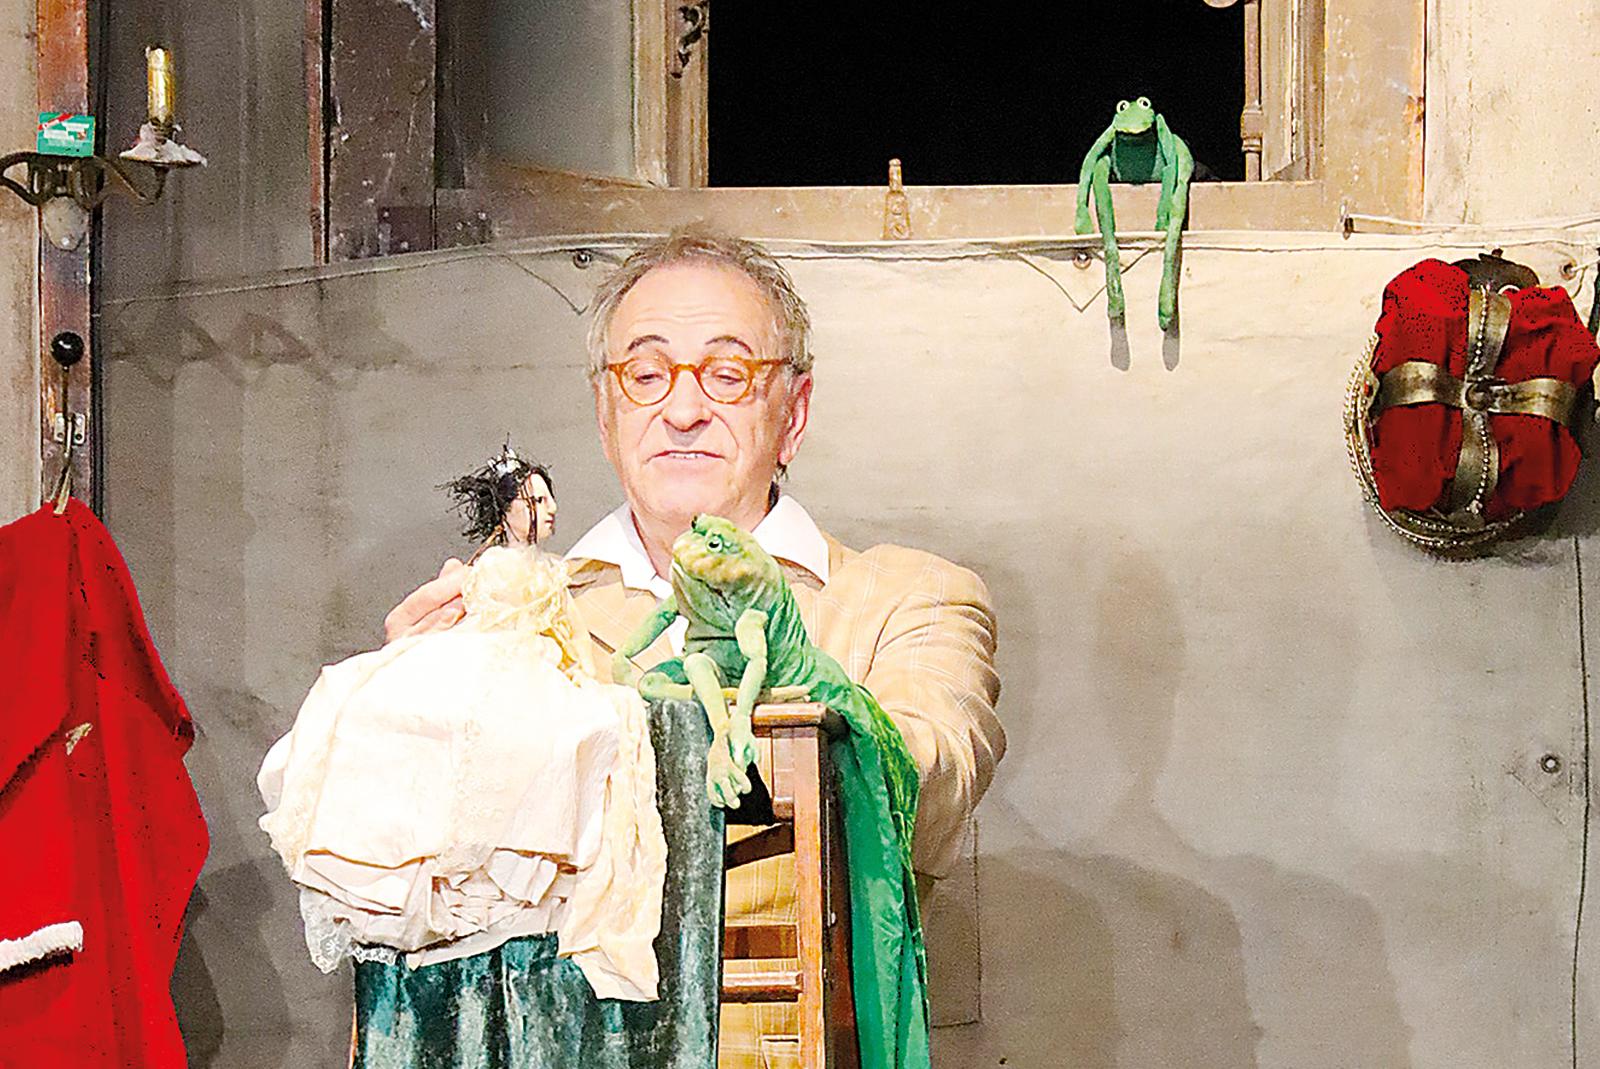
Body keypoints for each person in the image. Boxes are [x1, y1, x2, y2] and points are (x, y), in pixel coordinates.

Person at [384, 228, 1004, 1068]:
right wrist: (410, 705)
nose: (681, 410)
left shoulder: (910, 599)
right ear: (605, 416)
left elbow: (931, 779)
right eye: (645, 375)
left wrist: (787, 689)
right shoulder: (511, 615)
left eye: (728, 373)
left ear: (793, 413)